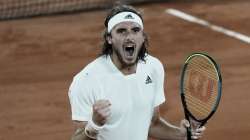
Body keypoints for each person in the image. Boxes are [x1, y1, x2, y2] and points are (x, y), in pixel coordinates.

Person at [68, 4, 205, 140]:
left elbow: (152, 124)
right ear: (109, 38)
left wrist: (181, 134)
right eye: (121, 31)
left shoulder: (153, 67)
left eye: (135, 30)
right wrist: (94, 125)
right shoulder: (86, 80)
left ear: (143, 37)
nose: (129, 37)